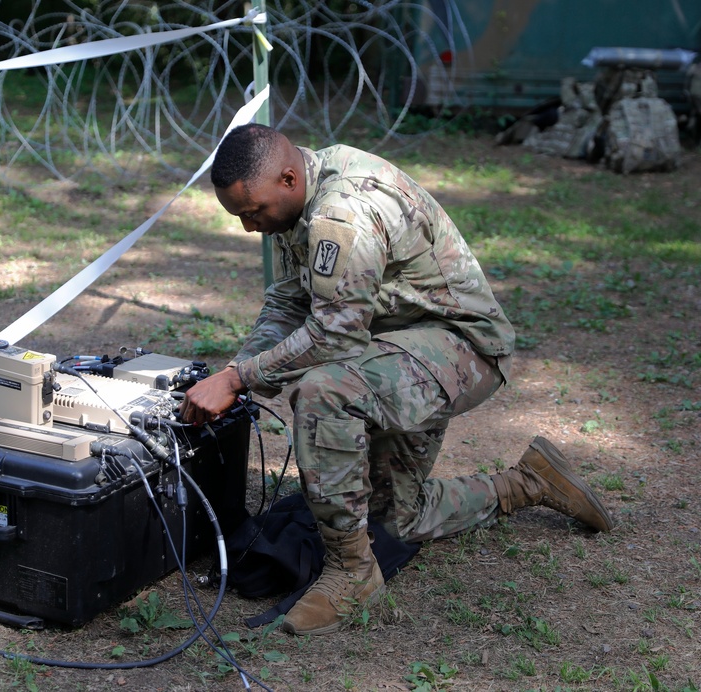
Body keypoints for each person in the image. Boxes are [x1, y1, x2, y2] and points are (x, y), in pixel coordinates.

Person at [178, 123, 614, 636]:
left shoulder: (343, 215)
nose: (251, 228)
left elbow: (335, 337)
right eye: (241, 217)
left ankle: (352, 577)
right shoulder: (298, 200)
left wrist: (238, 379)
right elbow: (287, 301)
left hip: (460, 347)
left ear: (290, 178)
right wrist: (236, 370)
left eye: (253, 213)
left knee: (325, 392)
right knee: (391, 521)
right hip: (394, 348)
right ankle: (529, 482)